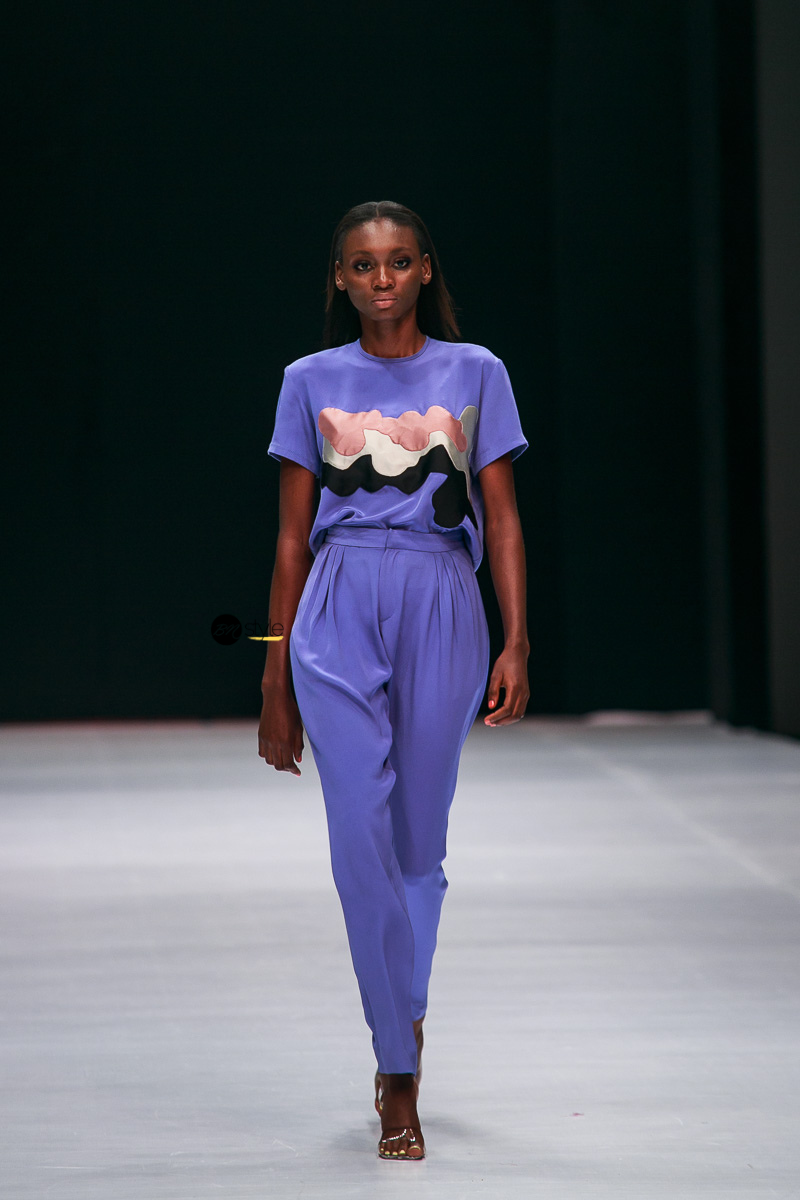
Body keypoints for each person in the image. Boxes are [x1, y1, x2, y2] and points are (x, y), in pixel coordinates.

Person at [258, 200, 529, 1161]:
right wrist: (274, 679)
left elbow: (501, 517)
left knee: (419, 844)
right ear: (340, 277)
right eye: (364, 265)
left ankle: (403, 1010)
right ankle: (397, 1070)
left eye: (400, 262)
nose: (382, 279)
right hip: (335, 604)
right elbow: (290, 540)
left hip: (442, 599)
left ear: (424, 270)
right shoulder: (307, 380)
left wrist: (516, 642)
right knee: (356, 841)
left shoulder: (477, 370)